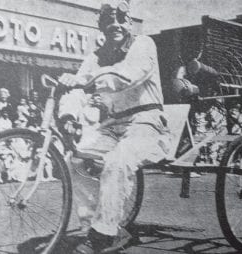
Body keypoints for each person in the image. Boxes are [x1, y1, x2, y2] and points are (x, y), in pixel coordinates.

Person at [58, 1, 172, 253]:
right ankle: (93, 227)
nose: (116, 26)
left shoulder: (143, 44)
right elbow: (77, 88)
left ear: (129, 22)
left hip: (147, 124)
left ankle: (105, 235)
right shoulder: (96, 56)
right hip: (113, 126)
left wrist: (85, 80)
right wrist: (68, 111)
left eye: (121, 20)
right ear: (102, 27)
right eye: (109, 22)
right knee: (75, 159)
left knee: (117, 161)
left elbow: (129, 75)